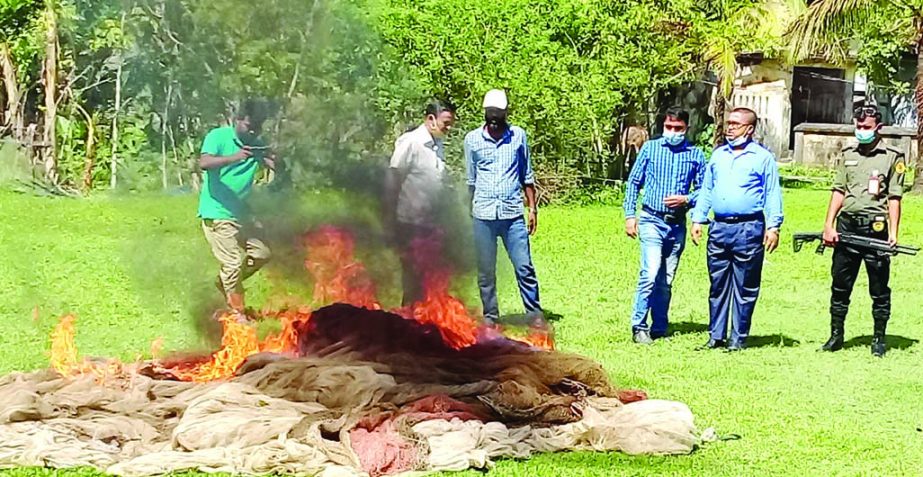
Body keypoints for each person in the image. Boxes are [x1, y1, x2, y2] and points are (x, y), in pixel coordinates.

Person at [690, 107, 783, 351]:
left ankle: (738, 338)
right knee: (718, 284)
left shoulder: (762, 158)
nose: (729, 127)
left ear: (749, 129)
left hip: (748, 228)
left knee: (745, 285)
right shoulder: (718, 155)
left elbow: (773, 193)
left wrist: (774, 226)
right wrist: (698, 218)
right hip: (719, 227)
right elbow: (707, 189)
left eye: (735, 124)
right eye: (728, 123)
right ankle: (715, 336)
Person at [821, 104, 905, 357]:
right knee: (840, 284)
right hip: (847, 225)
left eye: (866, 127)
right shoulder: (848, 153)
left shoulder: (892, 156)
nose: (861, 131)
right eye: (858, 127)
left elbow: (894, 196)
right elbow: (838, 190)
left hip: (875, 228)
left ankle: (879, 338)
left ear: (878, 128)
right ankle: (836, 335)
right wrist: (829, 224)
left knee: (879, 287)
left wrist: (894, 232)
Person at [623, 107, 706, 344]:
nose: (673, 132)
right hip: (651, 219)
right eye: (669, 127)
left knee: (666, 279)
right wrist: (630, 215)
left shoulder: (696, 155)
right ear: (663, 126)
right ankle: (638, 325)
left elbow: (704, 190)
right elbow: (633, 183)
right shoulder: (650, 149)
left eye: (678, 129)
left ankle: (659, 324)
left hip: (676, 223)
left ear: (686, 128)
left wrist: (687, 199)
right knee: (649, 273)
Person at [465, 89, 541, 326]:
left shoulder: (518, 137)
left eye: (499, 112)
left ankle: (534, 314)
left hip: (512, 214)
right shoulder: (472, 140)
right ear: (485, 113)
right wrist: (469, 212)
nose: (495, 117)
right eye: (491, 112)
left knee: (524, 266)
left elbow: (526, 176)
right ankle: (490, 316)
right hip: (483, 214)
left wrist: (532, 209)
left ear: (506, 112)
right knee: (486, 271)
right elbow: (471, 180)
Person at [198, 100, 275, 318]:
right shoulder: (218, 137)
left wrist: (272, 157)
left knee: (262, 253)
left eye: (257, 128)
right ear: (238, 120)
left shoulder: (257, 143)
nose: (252, 131)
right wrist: (236, 157)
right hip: (217, 212)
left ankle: (226, 282)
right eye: (249, 126)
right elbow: (204, 163)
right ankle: (237, 313)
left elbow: (275, 165)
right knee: (232, 263)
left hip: (242, 214)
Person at [385, 100, 457, 306]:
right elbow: (393, 178)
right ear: (430, 119)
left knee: (428, 275)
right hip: (409, 221)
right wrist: (389, 219)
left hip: (430, 222)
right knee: (412, 276)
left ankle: (424, 319)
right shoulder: (411, 142)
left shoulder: (438, 144)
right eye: (446, 123)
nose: (449, 128)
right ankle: (408, 319)